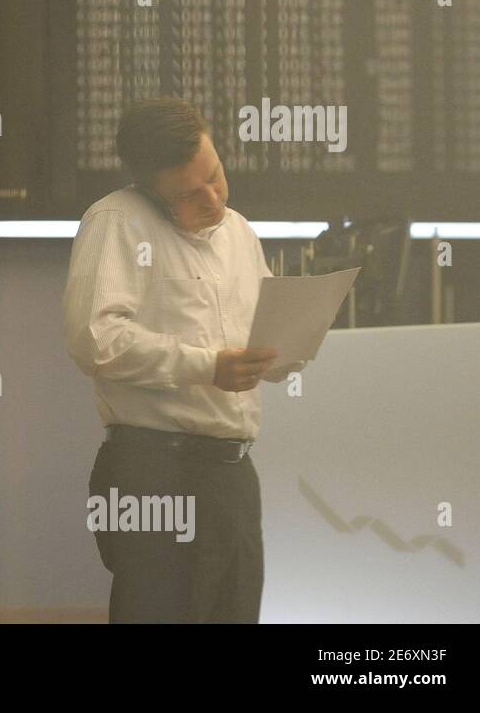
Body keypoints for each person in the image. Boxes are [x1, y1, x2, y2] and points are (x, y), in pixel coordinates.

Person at [62, 97, 301, 623]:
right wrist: (206, 366)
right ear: (150, 191)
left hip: (233, 473)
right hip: (155, 470)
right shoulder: (117, 221)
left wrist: (283, 351)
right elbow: (95, 338)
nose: (213, 198)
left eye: (215, 176)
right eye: (190, 194)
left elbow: (257, 336)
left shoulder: (240, 233)